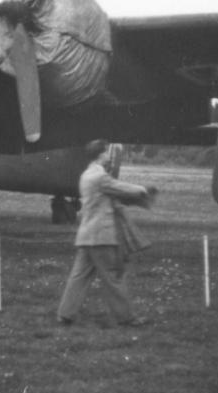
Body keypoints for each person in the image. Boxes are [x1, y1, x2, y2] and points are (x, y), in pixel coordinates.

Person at [56, 139, 155, 328]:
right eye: (106, 152)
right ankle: (127, 318)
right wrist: (142, 189)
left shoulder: (86, 174)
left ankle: (65, 315)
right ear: (100, 154)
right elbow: (120, 187)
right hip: (101, 236)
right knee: (113, 277)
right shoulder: (100, 177)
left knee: (78, 277)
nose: (109, 156)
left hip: (86, 235)